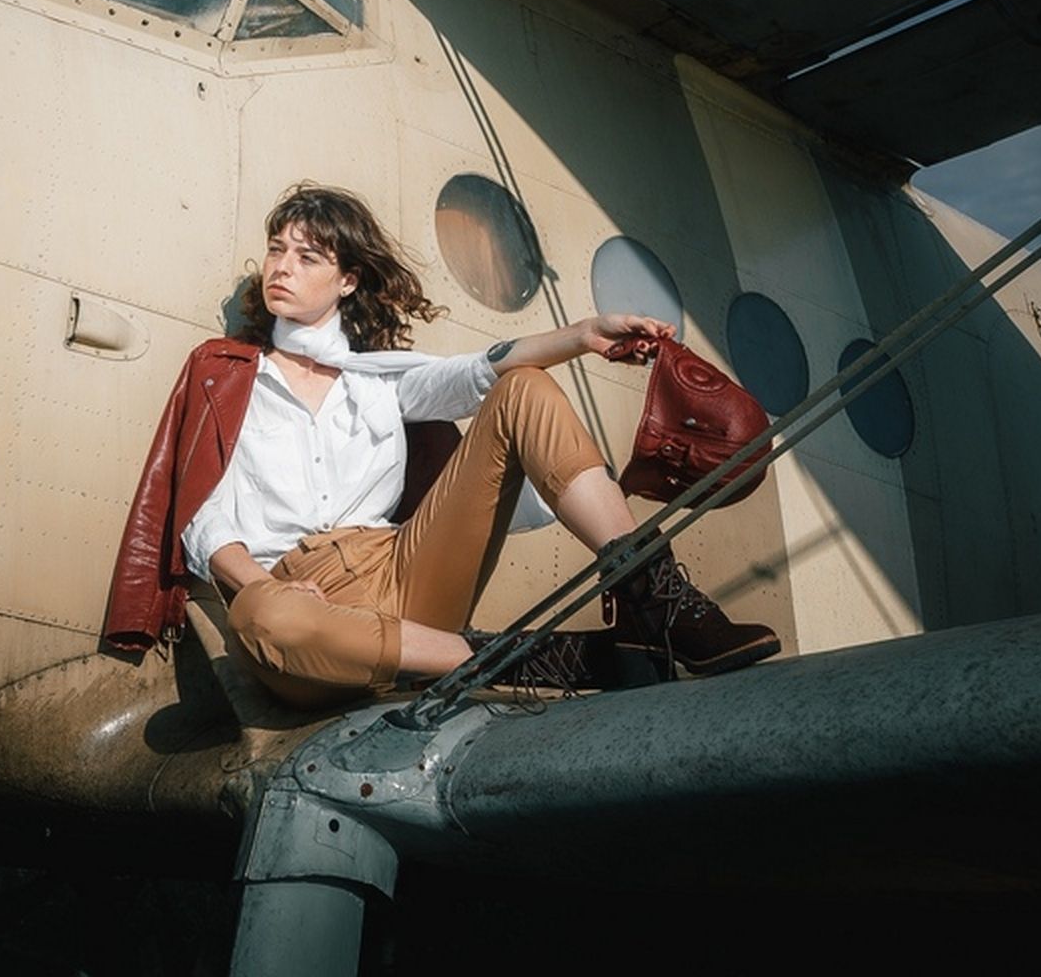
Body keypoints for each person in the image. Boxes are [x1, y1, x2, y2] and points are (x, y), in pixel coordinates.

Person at [100, 183, 778, 708]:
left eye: (307, 257)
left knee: (522, 388)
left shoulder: (377, 382)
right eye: (277, 250)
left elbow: (476, 374)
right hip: (300, 597)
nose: (282, 267)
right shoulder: (229, 377)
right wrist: (259, 583)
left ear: (347, 280)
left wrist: (582, 335)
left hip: (402, 571)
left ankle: (656, 598)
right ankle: (527, 659)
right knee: (262, 617)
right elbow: (204, 517)